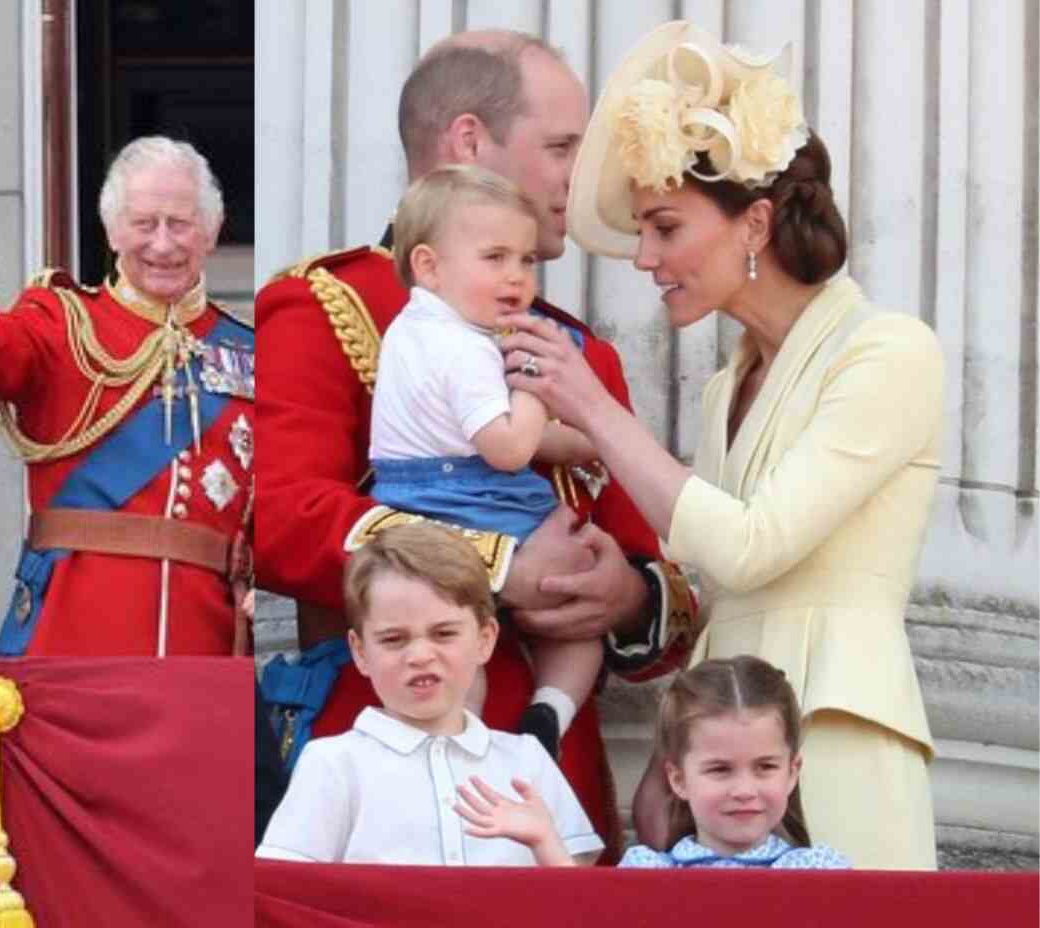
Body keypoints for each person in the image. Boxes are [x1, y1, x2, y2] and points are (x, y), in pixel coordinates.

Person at [502, 20, 942, 869]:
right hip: (725, 758)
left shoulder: (890, 351)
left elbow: (749, 549)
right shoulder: (722, 386)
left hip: (840, 739)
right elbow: (719, 579)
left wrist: (595, 411)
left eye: (664, 226)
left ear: (757, 222)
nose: (643, 256)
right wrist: (676, 741)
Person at [253, 30, 698, 857]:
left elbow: (663, 590)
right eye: (564, 146)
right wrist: (496, 565)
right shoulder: (324, 304)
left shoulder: (577, 348)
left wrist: (624, 598)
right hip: (384, 762)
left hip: (547, 778)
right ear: (468, 142)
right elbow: (285, 523)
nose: (583, 177)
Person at [0, 136, 254, 657]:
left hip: (203, 643)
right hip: (72, 638)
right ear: (112, 231)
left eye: (179, 224)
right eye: (143, 224)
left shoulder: (249, 352)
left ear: (211, 231)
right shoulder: (62, 322)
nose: (162, 244)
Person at [374, 164, 603, 757]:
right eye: (495, 257)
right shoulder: (470, 348)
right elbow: (507, 449)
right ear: (428, 266)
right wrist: (529, 383)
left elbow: (470, 432)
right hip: (478, 500)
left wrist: (589, 441)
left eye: (526, 260)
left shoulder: (409, 331)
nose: (517, 277)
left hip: (407, 505)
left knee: (455, 648)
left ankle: (453, 743)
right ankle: (547, 716)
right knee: (581, 612)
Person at [255, 523, 601, 866]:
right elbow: (285, 893)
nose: (420, 656)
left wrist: (545, 841)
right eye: (394, 639)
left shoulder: (528, 761)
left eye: (443, 633)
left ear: (484, 640)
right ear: (360, 652)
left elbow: (578, 904)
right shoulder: (333, 763)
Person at [619, 656, 850, 868]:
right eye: (720, 769)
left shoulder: (820, 872)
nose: (744, 791)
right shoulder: (646, 873)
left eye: (765, 767)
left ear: (792, 773)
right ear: (678, 780)